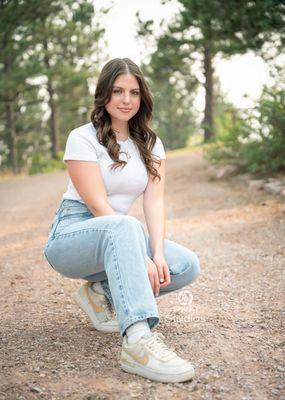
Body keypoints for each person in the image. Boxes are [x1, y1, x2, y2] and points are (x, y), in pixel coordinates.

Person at [43, 57, 200, 383]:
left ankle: (101, 291)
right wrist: (139, 255)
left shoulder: (152, 144)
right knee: (125, 225)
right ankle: (138, 340)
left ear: (142, 97)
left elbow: (154, 202)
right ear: (104, 95)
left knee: (184, 265)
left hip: (120, 235)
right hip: (72, 235)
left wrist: (155, 254)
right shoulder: (82, 138)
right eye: (118, 91)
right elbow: (99, 206)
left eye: (134, 92)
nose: (126, 100)